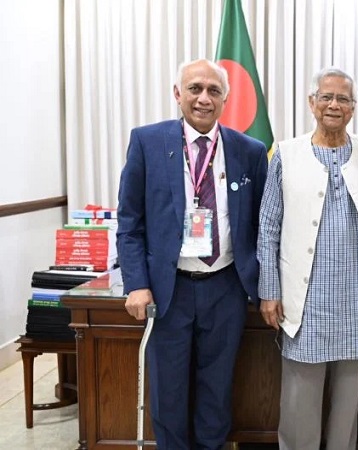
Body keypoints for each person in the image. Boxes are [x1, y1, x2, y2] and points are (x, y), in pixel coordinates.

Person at [117, 58, 268, 449]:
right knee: (168, 393)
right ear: (177, 93)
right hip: (169, 290)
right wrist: (136, 284)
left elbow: (264, 227)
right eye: (195, 88)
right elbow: (130, 222)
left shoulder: (250, 151)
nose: (204, 98)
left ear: (225, 99)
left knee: (217, 392)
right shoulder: (147, 143)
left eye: (214, 91)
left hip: (226, 288)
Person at [257, 67, 358, 450]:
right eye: (326, 97)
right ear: (312, 102)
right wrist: (269, 289)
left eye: (343, 99)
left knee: (347, 404)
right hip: (305, 303)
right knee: (299, 403)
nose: (334, 105)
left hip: (356, 301)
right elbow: (268, 226)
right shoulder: (286, 154)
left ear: (353, 107)